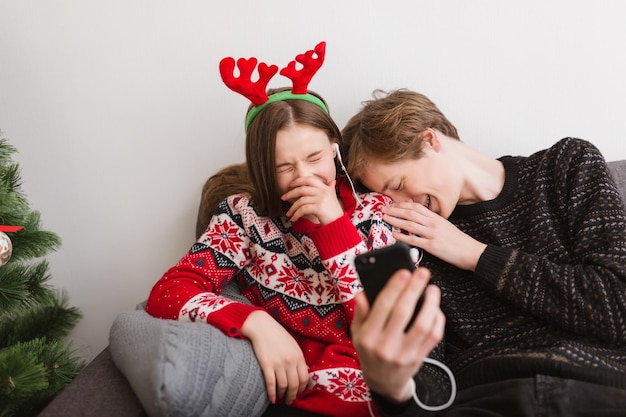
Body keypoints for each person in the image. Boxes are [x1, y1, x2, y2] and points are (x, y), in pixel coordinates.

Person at [144, 44, 443, 417]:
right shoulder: (243, 216)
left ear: (334, 151)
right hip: (287, 393)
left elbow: (390, 325)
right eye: (283, 166)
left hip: (375, 397)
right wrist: (255, 322)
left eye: (315, 158)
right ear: (261, 169)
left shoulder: (377, 211)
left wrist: (334, 226)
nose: (304, 177)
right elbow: (169, 292)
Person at [341, 89, 626, 416]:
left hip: (595, 387)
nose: (403, 206)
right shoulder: (409, 242)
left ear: (429, 140)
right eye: (389, 198)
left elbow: (618, 304)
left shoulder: (565, 165)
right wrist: (395, 386)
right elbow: (431, 381)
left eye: (399, 182)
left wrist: (475, 255)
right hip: (487, 401)